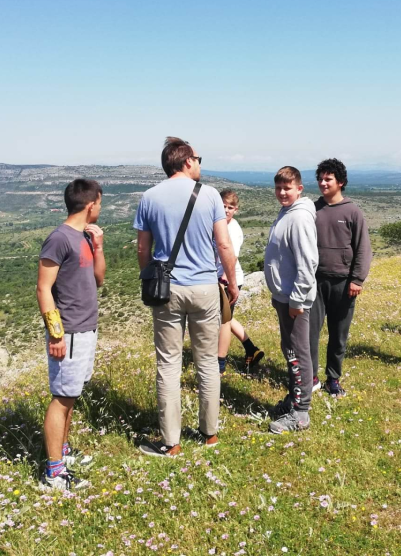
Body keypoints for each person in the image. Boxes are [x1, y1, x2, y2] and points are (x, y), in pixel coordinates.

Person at [134, 137, 240, 457]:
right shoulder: (208, 195)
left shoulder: (149, 197)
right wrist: (232, 283)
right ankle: (209, 435)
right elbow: (223, 245)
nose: (200, 163)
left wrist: (149, 277)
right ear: (186, 161)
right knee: (207, 362)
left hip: (168, 289)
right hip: (205, 287)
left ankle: (172, 442)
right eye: (198, 158)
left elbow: (143, 249)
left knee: (168, 364)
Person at [36, 178, 106, 490]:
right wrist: (56, 334)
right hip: (70, 331)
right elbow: (43, 288)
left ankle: (62, 454)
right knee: (61, 399)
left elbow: (99, 279)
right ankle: (53, 474)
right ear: (91, 205)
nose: (100, 208)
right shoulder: (59, 238)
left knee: (71, 395)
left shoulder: (85, 237)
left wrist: (100, 246)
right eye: (100, 203)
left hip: (86, 327)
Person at [310, 158, 372, 396]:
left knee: (338, 334)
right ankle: (312, 376)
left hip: (343, 283)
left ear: (341, 182)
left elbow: (363, 248)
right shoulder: (312, 209)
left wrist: (357, 279)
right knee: (310, 333)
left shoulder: (352, 211)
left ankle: (333, 378)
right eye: (320, 178)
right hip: (315, 281)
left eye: (328, 179)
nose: (323, 183)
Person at [264, 166, 319, 433]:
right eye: (278, 188)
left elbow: (308, 261)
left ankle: (301, 413)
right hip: (284, 296)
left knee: (298, 352)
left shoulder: (299, 218)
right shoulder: (287, 212)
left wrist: (297, 298)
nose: (282, 193)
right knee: (290, 351)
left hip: (294, 299)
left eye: (287, 188)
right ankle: (294, 399)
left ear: (299, 188)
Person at [215, 189, 265, 375]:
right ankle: (251, 348)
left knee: (223, 320)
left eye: (230, 207)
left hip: (229, 279)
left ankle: (220, 364)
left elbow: (232, 257)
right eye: (223, 206)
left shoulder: (233, 229)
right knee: (225, 316)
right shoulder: (219, 224)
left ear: (236, 210)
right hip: (220, 277)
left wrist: (226, 281)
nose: (226, 210)